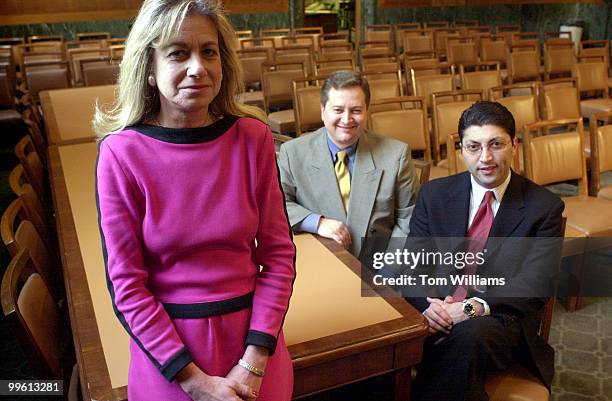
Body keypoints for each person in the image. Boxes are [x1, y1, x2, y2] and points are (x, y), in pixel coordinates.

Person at [94, 1, 295, 400]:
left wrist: (254, 361)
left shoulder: (252, 139)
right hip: (170, 359)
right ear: (149, 69)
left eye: (209, 51)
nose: (198, 67)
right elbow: (127, 286)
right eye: (178, 53)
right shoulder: (121, 153)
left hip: (255, 348)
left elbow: (278, 256)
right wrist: (193, 382)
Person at [407, 101, 564, 401]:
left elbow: (535, 285)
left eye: (496, 144)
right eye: (474, 147)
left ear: (515, 145)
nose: (485, 158)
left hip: (499, 319)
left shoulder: (544, 207)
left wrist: (468, 309)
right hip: (434, 308)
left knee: (468, 337)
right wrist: (432, 308)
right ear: (461, 149)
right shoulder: (434, 194)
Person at [277, 70, 420, 259]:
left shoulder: (396, 155)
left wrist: (389, 272)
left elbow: (408, 220)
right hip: (321, 261)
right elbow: (278, 205)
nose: (346, 119)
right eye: (338, 110)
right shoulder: (292, 153)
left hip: (380, 266)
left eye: (356, 110)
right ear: (322, 111)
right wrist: (317, 222)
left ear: (367, 111)